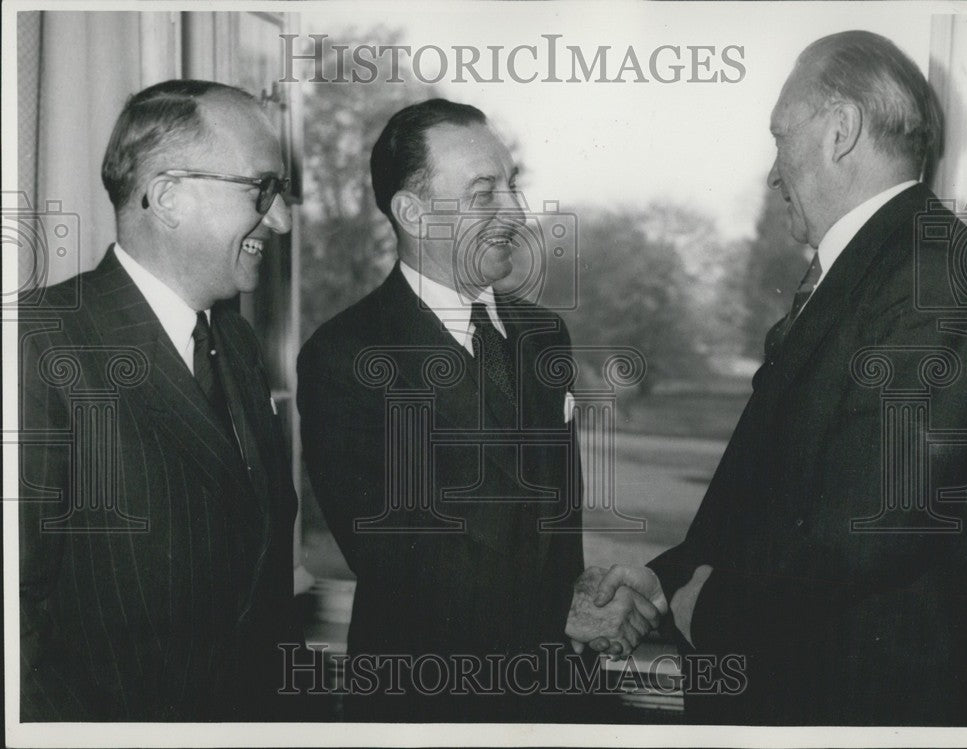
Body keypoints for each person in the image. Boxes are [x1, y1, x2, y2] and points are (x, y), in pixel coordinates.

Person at [581, 30, 967, 725]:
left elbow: (872, 520)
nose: (773, 172)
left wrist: (711, 602)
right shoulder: (870, 268)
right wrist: (663, 581)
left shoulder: (931, 270)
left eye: (779, 136)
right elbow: (770, 493)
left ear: (840, 130)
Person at [297, 98, 657, 721]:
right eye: (485, 193)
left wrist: (588, 602)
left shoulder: (545, 334)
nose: (516, 213)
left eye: (513, 187)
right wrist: (558, 615)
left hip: (559, 695)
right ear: (413, 212)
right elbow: (405, 561)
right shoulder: (345, 356)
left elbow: (549, 531)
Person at [18, 80, 301, 721]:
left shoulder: (235, 343)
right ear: (169, 196)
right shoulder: (37, 344)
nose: (281, 219)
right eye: (262, 189)